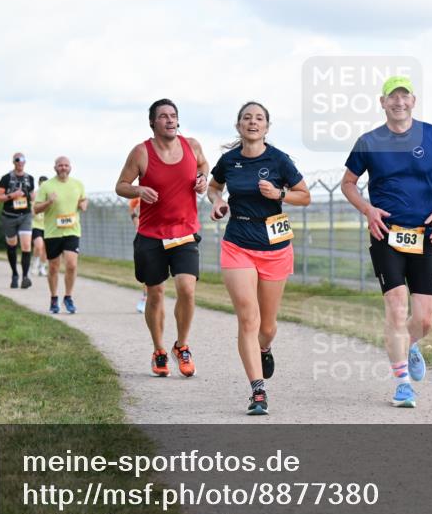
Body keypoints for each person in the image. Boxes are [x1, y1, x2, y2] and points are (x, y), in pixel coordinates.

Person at [341, 76, 432, 409]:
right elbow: (348, 183)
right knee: (396, 306)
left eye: (404, 96)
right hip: (386, 233)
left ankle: (407, 344)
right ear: (382, 103)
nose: (399, 102)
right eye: (392, 97)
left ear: (413, 100)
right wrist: (367, 210)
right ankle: (403, 384)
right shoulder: (369, 141)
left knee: (425, 319)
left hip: (424, 233)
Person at [207, 101, 310, 415]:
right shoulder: (229, 160)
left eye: (259, 118)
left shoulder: (279, 161)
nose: (253, 122)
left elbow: (304, 196)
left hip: (274, 247)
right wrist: (218, 203)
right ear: (239, 126)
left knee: (266, 326)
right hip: (237, 242)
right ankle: (258, 391)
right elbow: (213, 188)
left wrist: (279, 195)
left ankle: (265, 347)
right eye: (247, 118)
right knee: (247, 319)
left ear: (267, 127)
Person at [115, 98, 209, 377]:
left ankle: (182, 345)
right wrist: (138, 191)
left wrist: (202, 178)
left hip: (184, 231)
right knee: (155, 294)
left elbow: (203, 165)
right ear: (153, 122)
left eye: (173, 116)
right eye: (163, 116)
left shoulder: (192, 145)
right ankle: (158, 350)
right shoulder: (141, 153)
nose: (170, 120)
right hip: (151, 235)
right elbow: (121, 186)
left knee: (187, 289)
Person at [34, 156, 87, 314]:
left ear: (70, 167)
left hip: (72, 230)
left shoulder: (78, 184)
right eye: (60, 165)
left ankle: (68, 297)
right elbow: (36, 209)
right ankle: (54, 297)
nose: (63, 168)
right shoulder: (47, 186)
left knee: (71, 265)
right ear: (55, 167)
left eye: (66, 165)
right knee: (53, 267)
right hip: (52, 232)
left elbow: (83, 200)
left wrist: (84, 204)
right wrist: (48, 202)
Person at [0, 152, 36, 289]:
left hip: (25, 215)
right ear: (13, 162)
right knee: (12, 245)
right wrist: (12, 195)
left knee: (26, 246)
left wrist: (32, 196)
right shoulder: (6, 178)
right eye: (17, 160)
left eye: (23, 160)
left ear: (25, 162)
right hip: (9, 216)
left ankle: (25, 277)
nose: (20, 162)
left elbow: (31, 195)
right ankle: (14, 274)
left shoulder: (30, 178)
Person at [128, 196, 148, 313]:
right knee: (147, 270)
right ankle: (145, 298)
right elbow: (131, 210)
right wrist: (136, 218)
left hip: (161, 235)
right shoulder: (137, 197)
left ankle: (154, 298)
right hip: (143, 237)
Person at [31, 176, 49, 277]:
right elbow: (32, 208)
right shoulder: (35, 195)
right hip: (36, 224)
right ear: (38, 183)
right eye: (41, 183)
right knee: (38, 245)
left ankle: (42, 267)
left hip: (47, 225)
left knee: (45, 248)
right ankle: (35, 263)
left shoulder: (50, 195)